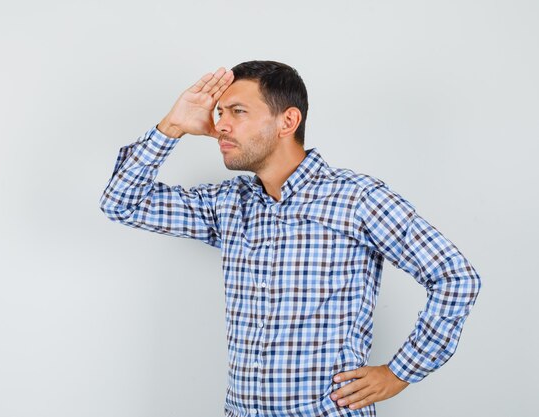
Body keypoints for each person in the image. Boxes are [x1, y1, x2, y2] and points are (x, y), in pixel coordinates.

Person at [99, 61, 481, 417]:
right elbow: (121, 203)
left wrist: (400, 372)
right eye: (220, 112)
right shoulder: (228, 204)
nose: (221, 126)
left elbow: (455, 276)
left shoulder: (356, 198)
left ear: (288, 121)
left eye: (238, 112)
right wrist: (172, 126)